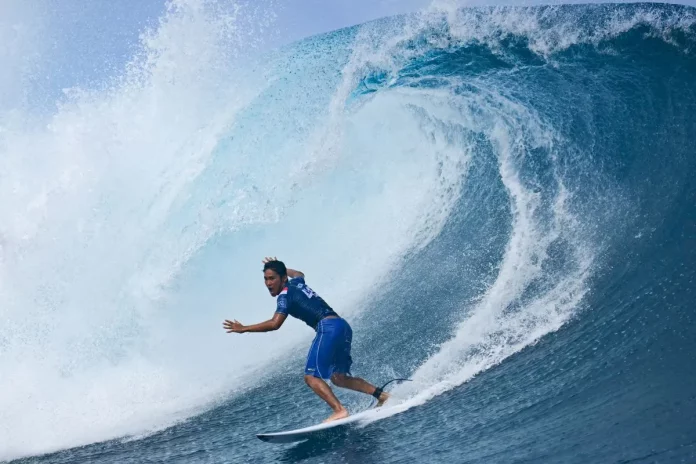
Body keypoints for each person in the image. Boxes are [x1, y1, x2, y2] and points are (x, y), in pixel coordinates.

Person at [222, 257, 389, 422]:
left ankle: (339, 411)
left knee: (311, 377)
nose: (268, 283)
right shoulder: (297, 283)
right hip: (342, 326)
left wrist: (244, 329)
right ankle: (382, 396)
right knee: (339, 378)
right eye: (266, 279)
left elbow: (275, 324)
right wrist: (280, 268)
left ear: (283, 279)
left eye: (272, 278)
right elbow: (299, 273)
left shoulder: (285, 296)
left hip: (328, 328)